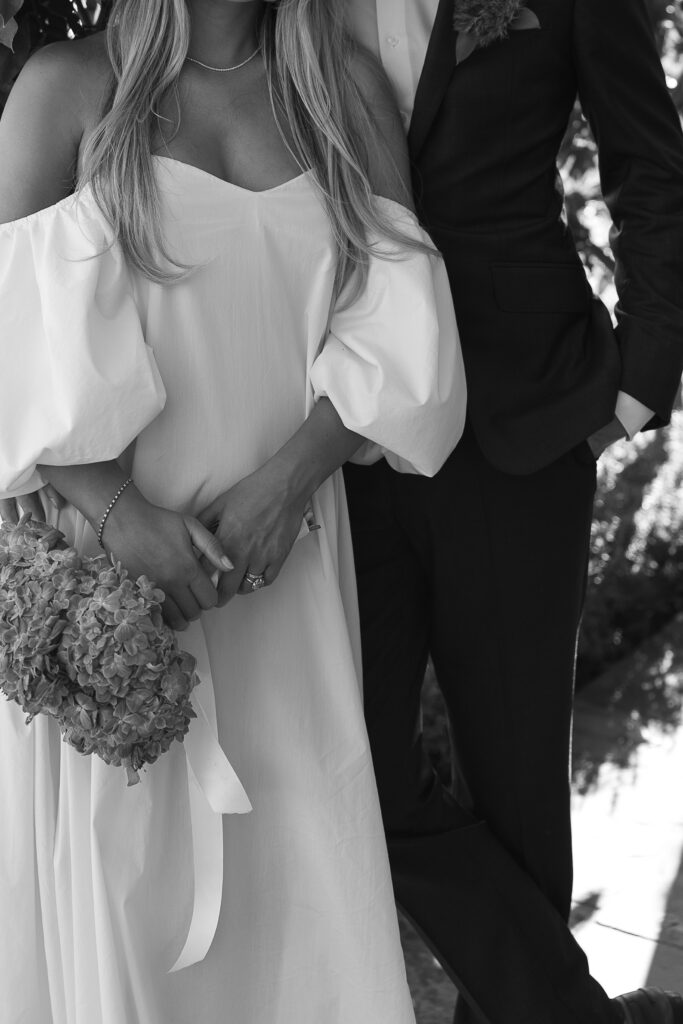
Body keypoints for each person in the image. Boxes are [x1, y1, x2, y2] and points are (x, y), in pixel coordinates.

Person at [0, 1, 467, 1021]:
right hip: (112, 599)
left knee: (301, 918)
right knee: (128, 917)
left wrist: (285, 484)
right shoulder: (66, 90)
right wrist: (124, 517)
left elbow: (399, 326)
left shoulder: (339, 90)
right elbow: (5, 355)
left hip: (284, 577)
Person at [343, 1, 683, 1023]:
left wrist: (636, 386)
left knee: (513, 786)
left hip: (519, 424)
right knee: (348, 767)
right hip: (340, 429)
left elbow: (648, 168)